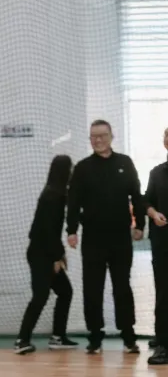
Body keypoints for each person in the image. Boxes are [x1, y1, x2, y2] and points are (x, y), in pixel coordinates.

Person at [66, 119, 145, 355]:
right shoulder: (82, 168)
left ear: (111, 137)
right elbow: (73, 202)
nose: (98, 140)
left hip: (120, 238)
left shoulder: (125, 163)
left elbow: (136, 195)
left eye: (102, 135)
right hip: (93, 239)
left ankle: (128, 336)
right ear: (90, 139)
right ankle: (95, 337)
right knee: (92, 288)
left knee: (122, 287)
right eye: (94, 136)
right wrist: (71, 230)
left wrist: (140, 224)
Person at [15, 155, 77, 355]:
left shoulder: (54, 193)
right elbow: (46, 231)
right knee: (40, 296)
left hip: (43, 251)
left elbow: (49, 231)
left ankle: (57, 337)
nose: (71, 172)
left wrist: (59, 254)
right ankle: (22, 340)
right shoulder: (53, 197)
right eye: (70, 169)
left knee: (65, 291)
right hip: (41, 254)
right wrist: (56, 257)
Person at [144, 127, 168, 365]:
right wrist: (153, 213)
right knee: (163, 292)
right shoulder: (157, 173)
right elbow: (147, 201)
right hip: (162, 244)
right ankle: (163, 343)